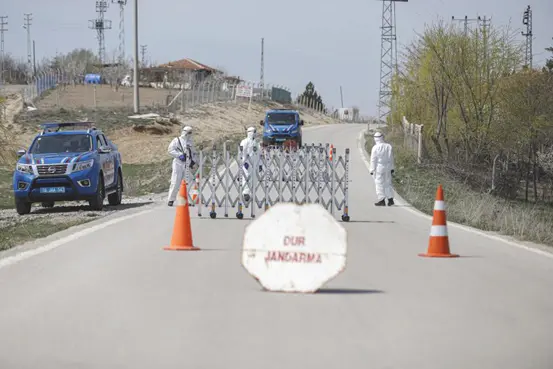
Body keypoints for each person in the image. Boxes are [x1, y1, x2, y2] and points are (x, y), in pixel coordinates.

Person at [167, 126, 197, 206]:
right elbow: (170, 150)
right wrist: (179, 155)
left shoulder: (190, 142)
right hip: (178, 163)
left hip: (187, 165)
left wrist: (193, 161)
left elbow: (194, 153)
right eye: (188, 132)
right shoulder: (177, 140)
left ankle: (186, 200)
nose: (189, 134)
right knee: (175, 181)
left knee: (188, 182)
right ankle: (171, 199)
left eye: (191, 132)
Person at [369, 131, 395, 206]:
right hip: (387, 167)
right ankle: (390, 200)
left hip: (379, 167)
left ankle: (382, 200)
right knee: (388, 183)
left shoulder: (375, 148)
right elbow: (391, 158)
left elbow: (373, 160)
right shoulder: (388, 146)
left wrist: (372, 169)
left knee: (379, 184)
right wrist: (392, 168)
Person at [239, 126, 263, 202]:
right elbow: (241, 152)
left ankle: (250, 193)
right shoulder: (244, 142)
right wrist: (244, 162)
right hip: (247, 164)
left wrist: (260, 164)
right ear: (250, 133)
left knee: (253, 179)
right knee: (246, 178)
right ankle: (245, 193)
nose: (255, 134)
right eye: (254, 132)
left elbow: (259, 154)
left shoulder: (256, 143)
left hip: (254, 164)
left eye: (255, 132)